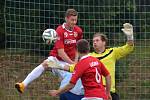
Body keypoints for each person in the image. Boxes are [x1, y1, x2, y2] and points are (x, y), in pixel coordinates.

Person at [15, 8, 84, 100]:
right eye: (72, 20)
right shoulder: (59, 31)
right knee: (45, 64)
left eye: (75, 20)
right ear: (66, 19)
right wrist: (72, 63)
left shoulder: (78, 31)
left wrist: (75, 61)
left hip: (68, 63)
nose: (74, 22)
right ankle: (23, 84)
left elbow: (77, 47)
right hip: (57, 59)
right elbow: (61, 52)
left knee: (72, 79)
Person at [56, 23, 134, 100]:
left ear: (104, 42)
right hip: (95, 92)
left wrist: (130, 37)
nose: (94, 42)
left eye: (97, 40)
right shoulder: (89, 56)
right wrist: (59, 65)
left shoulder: (112, 52)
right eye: (93, 41)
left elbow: (128, 48)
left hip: (109, 92)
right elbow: (75, 68)